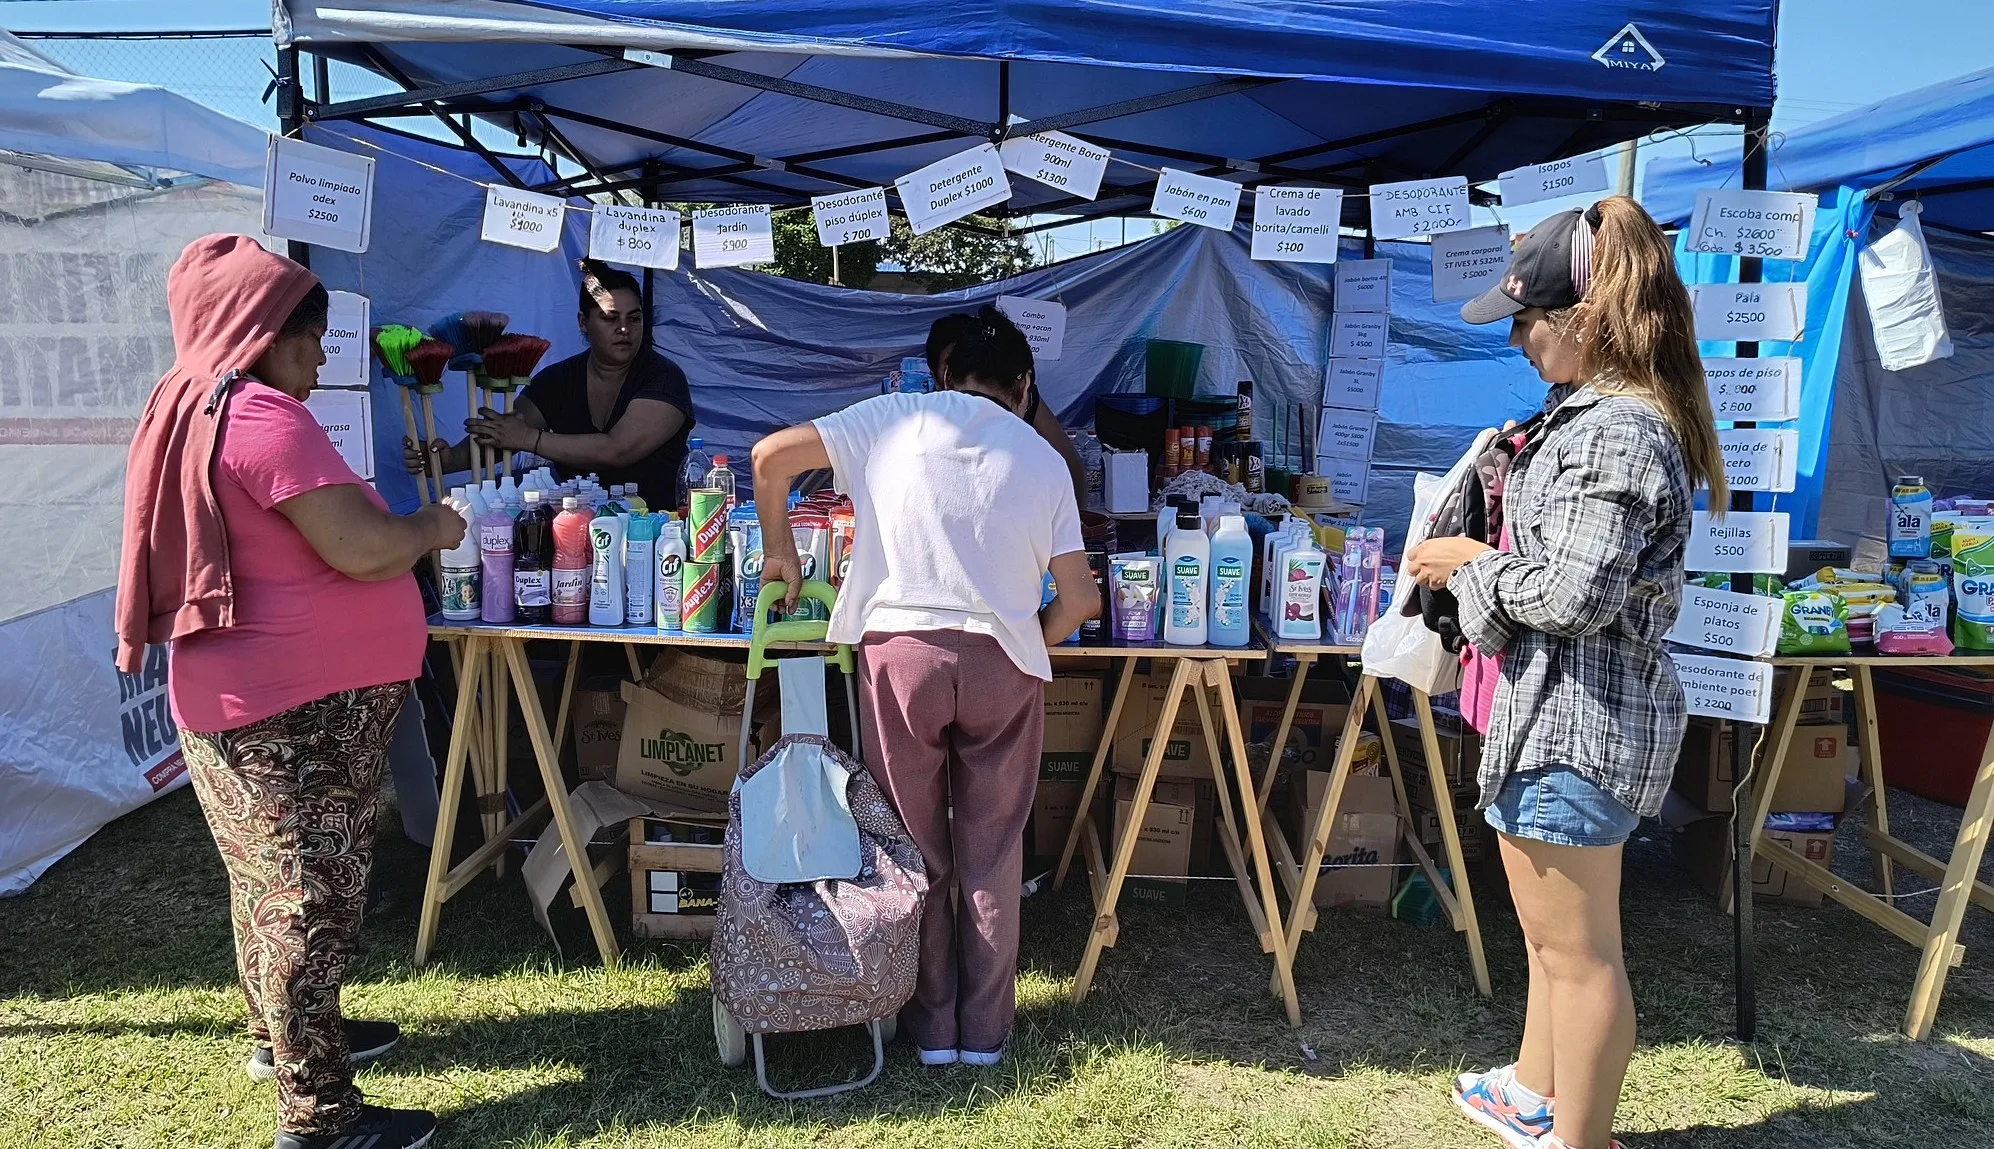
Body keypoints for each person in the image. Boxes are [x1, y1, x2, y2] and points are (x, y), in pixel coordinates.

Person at [117, 236, 460, 1149]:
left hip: (240, 699)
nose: (316, 361)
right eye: (308, 341)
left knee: (263, 886)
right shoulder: (259, 415)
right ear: (260, 333)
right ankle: (320, 1118)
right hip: (294, 711)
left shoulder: (187, 403)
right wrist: (430, 526)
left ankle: (285, 1038)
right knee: (311, 899)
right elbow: (362, 547)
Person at [1405, 198, 1726, 1149]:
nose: (1516, 340)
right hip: (1558, 717)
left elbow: (1576, 593)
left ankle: (1582, 1137)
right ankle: (1534, 1090)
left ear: (1584, 317)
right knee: (1553, 943)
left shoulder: (1618, 429)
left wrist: (1470, 562)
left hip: (1577, 726)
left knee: (1582, 960)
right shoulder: (1599, 414)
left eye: (1525, 321)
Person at [751, 304, 1098, 1067]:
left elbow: (770, 457)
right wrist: (1023, 641)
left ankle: (930, 1028)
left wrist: (781, 550)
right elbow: (1080, 599)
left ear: (943, 374)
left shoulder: (893, 420)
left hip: (900, 656)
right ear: (1025, 384)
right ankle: (985, 1034)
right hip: (1003, 662)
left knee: (911, 846)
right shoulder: (1043, 459)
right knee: (992, 852)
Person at [406, 259, 697, 508]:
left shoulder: (664, 377)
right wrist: (449, 459)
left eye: (634, 319)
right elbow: (505, 432)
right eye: (610, 318)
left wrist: (530, 439)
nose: (624, 329)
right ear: (583, 322)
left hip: (659, 532)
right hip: (575, 529)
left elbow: (617, 450)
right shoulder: (558, 380)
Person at [925, 311, 1086, 504]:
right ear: (945, 380)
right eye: (956, 369)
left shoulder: (1022, 400)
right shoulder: (926, 428)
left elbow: (1071, 469)